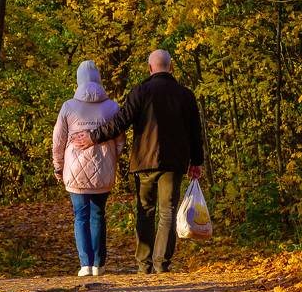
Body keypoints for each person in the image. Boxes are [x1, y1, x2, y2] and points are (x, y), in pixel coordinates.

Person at [72, 49, 203, 274]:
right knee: (168, 212)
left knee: (145, 211)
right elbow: (195, 131)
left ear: (150, 68)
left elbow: (120, 123)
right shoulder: (185, 95)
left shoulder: (140, 92)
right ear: (170, 67)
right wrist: (197, 162)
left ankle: (144, 264)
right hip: (174, 163)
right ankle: (162, 264)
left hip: (144, 162)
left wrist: (93, 137)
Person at [51, 60, 124, 277]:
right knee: (98, 215)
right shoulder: (112, 106)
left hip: (74, 171)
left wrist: (58, 166)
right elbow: (120, 140)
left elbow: (58, 140)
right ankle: (99, 265)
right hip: (104, 169)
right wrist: (112, 157)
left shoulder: (68, 106)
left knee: (80, 216)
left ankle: (85, 264)